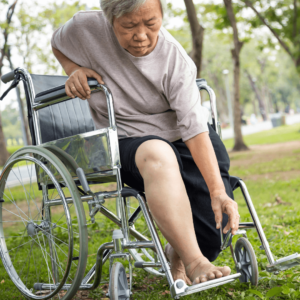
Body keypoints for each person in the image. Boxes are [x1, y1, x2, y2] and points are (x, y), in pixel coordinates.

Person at [51, 0, 239, 285]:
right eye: (129, 26)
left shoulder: (174, 59)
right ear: (109, 19)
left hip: (182, 138)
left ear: (162, 15)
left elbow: (193, 129)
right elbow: (58, 43)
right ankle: (193, 261)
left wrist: (217, 191)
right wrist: (72, 68)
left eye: (151, 24)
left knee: (212, 240)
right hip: (130, 141)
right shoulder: (84, 26)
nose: (141, 35)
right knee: (157, 152)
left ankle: (181, 251)